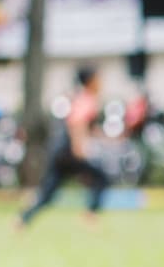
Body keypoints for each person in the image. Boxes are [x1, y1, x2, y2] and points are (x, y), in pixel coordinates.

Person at [15, 68, 112, 224]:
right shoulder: (87, 99)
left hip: (59, 151)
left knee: (49, 191)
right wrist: (78, 148)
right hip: (69, 151)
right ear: (91, 81)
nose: (101, 83)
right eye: (98, 79)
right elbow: (77, 123)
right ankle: (91, 213)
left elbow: (88, 127)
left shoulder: (80, 98)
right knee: (102, 177)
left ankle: (22, 219)